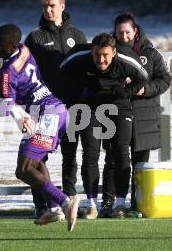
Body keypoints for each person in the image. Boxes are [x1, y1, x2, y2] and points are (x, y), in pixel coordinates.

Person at [0, 24, 80, 231]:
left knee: (23, 170)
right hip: (56, 111)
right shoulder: (24, 49)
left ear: (10, 45)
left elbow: (5, 109)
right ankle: (54, 209)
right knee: (36, 162)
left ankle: (65, 202)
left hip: (45, 116)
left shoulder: (7, 73)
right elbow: (3, 45)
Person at [59, 33, 148, 219]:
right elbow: (61, 72)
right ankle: (92, 205)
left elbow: (144, 77)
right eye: (97, 55)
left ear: (114, 52)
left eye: (106, 55)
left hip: (118, 106)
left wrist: (125, 92)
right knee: (90, 152)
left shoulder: (125, 59)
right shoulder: (79, 57)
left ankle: (120, 205)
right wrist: (77, 93)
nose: (101, 59)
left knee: (121, 152)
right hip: (89, 107)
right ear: (91, 52)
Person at [98, 13, 171, 217]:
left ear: (135, 31)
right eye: (120, 32)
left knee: (139, 164)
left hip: (143, 117)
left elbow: (165, 79)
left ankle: (137, 204)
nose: (124, 36)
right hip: (115, 114)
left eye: (127, 32)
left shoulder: (151, 53)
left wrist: (146, 89)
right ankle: (108, 203)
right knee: (112, 160)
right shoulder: (108, 53)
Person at [24, 0, 87, 219]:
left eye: (52, 5)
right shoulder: (35, 37)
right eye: (44, 6)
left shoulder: (78, 36)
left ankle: (69, 201)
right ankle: (43, 204)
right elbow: (25, 69)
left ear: (62, 6)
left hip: (72, 105)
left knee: (70, 155)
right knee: (38, 157)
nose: (48, 10)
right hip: (45, 107)